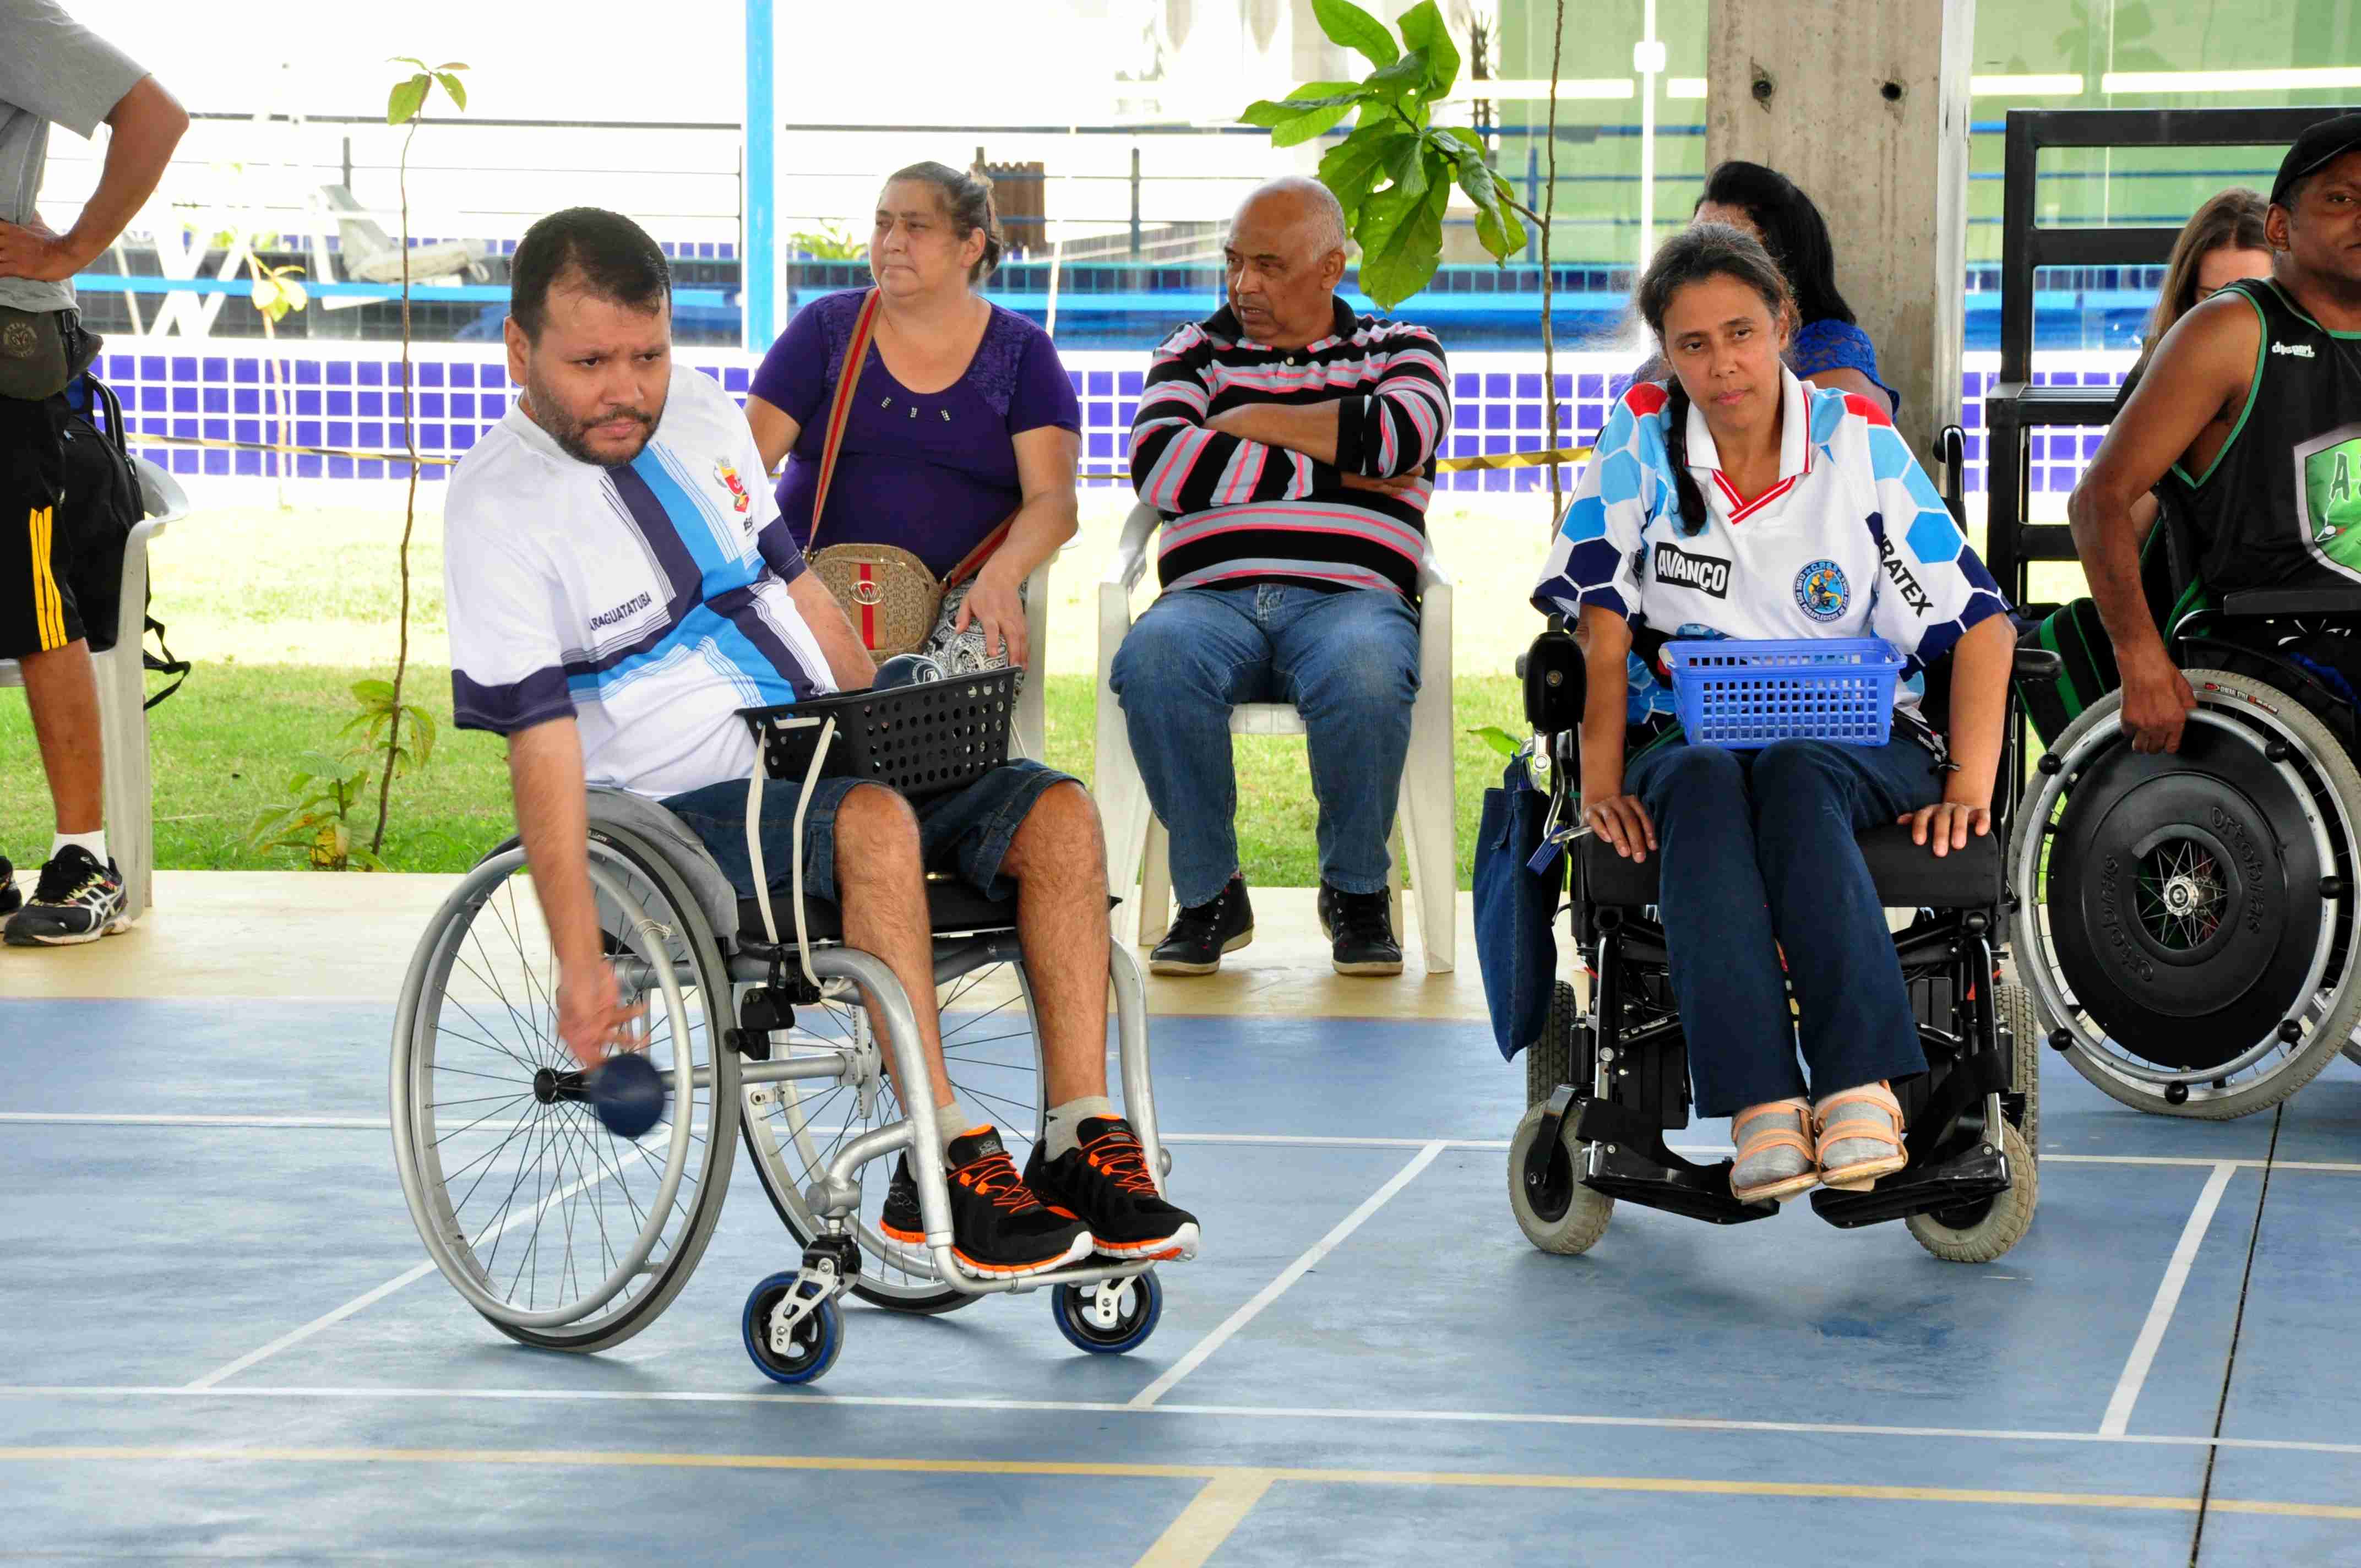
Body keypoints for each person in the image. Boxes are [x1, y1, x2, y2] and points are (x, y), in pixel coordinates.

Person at [443, 208, 1195, 1280]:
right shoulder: (496, 507)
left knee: (1057, 813)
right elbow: (541, 745)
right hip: (683, 810)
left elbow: (796, 583)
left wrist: (874, 715)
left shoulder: (702, 416)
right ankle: (934, 1161)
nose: (628, 389)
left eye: (648, 354)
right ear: (519, 352)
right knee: (873, 824)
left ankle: (1078, 1137)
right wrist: (576, 958)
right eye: (591, 362)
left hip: (828, 746)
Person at [1532, 224, 2014, 1205]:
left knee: (1794, 772)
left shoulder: (1856, 443)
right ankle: (1757, 1104)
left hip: (1855, 733)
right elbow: (1600, 621)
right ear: (1665, 353)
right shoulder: (1638, 437)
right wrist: (1600, 782)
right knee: (1708, 783)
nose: (1721, 364)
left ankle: (1856, 1087)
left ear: (1784, 325)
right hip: (1686, 733)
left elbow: (1978, 621)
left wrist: (1969, 782)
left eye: (1741, 332)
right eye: (1692, 343)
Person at [1113, 175, 1450, 978]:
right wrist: (1343, 468)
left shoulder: (1403, 349)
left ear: (1331, 268)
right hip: (1207, 598)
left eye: (1268, 265)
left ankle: (1356, 892)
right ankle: (1210, 896)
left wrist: (1242, 423)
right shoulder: (1191, 351)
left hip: (1352, 599)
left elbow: (1398, 440)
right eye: (1235, 263)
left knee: (1368, 672)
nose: (1244, 286)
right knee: (1154, 661)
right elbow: (1162, 469)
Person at [2070, 115, 2361, 757]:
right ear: (2280, 227)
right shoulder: (2232, 331)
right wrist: (2140, 658)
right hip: (2270, 651)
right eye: (2342, 199)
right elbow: (2101, 500)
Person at [0, 0, 186, 944]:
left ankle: (84, 857)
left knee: (34, 605)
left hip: (8, 362)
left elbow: (155, 117)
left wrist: (71, 247)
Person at [743, 162, 1079, 673]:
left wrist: (1001, 576)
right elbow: (740, 468)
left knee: (971, 667)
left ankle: (922, 754)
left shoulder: (1021, 353)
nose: (892, 241)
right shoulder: (827, 329)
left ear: (970, 246)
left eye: (915, 226)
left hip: (959, 598)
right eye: (883, 223)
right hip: (805, 587)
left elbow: (1054, 501)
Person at [1691, 160, 1898, 418]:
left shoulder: (1832, 363)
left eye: (1727, 254)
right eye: (1693, 245)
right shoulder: (1681, 345)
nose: (1698, 266)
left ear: (1783, 270)